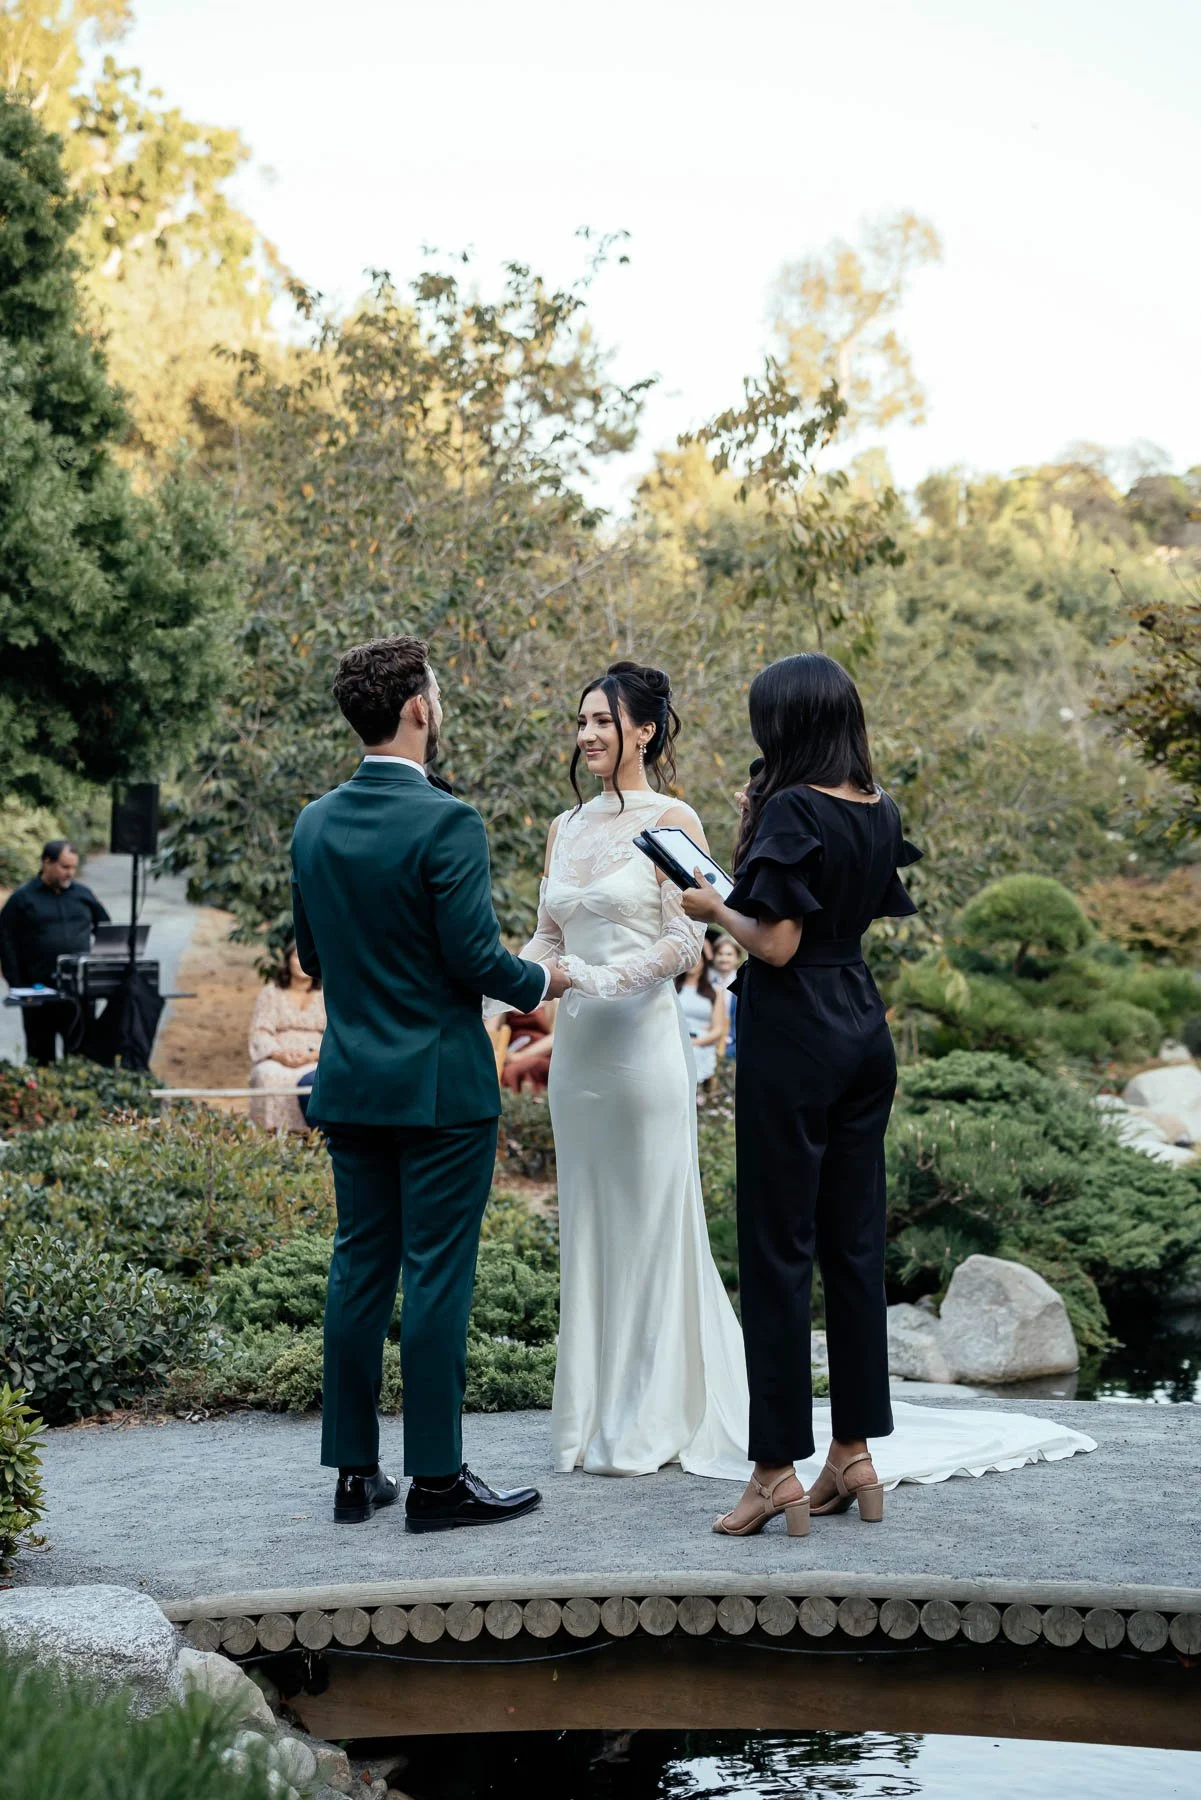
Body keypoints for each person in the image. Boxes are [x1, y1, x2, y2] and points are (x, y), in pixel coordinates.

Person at [291, 635, 570, 1533]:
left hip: (352, 1082)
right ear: (419, 708)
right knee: (438, 1276)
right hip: (442, 1089)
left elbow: (310, 954)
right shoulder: (449, 822)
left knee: (357, 1269)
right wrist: (543, 983)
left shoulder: (313, 823)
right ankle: (439, 1483)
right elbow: (472, 957)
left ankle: (352, 1475)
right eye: (436, 695)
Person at [495, 660, 751, 1480]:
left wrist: (595, 983)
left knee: (646, 1225)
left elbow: (688, 942)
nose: (587, 735)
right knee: (588, 1227)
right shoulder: (563, 826)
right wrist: (504, 991)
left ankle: (647, 1417)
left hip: (641, 1049)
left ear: (644, 729)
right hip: (577, 1059)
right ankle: (590, 1418)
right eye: (581, 722)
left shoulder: (675, 818)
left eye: (603, 721)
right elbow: (548, 938)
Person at [0, 841, 110, 1065]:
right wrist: (17, 984)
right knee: (41, 1057)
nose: (70, 873)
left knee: (80, 1055)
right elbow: (5, 942)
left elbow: (107, 930)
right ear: (46, 862)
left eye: (73, 868)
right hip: (37, 990)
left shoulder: (83, 895)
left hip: (78, 993)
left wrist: (97, 971)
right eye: (64, 867)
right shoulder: (22, 899)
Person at [247, 943, 326, 1132]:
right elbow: (260, 1031)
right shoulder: (271, 993)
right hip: (278, 1055)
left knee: (318, 1078)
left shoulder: (327, 994)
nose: (301, 963)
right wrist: (278, 1054)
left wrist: (314, 1055)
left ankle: (314, 1135)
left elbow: (335, 1032)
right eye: (297, 957)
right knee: (268, 1076)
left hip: (316, 1056)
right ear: (287, 961)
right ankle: (273, 1134)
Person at [675, 954, 728, 1102]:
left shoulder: (714, 991)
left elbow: (718, 1028)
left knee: (695, 1055)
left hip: (701, 1042)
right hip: (675, 1040)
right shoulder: (672, 988)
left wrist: (696, 1042)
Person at [711, 934, 742, 1058]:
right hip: (710, 1043)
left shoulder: (742, 984)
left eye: (729, 954)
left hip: (735, 1045)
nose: (724, 958)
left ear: (737, 958)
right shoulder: (708, 983)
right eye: (720, 954)